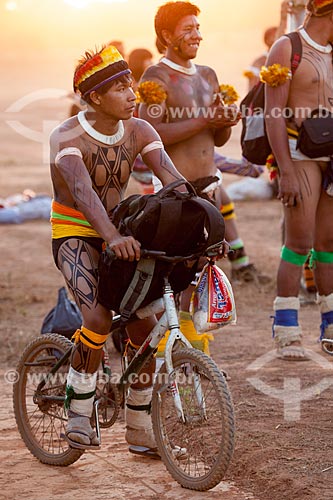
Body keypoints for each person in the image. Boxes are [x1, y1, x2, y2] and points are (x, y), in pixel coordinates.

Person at [49, 43, 197, 456]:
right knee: (97, 317)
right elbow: (83, 193)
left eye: (131, 84)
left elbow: (170, 176)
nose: (133, 94)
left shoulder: (140, 130)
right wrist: (111, 237)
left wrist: (202, 222)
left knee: (144, 331)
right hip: (76, 231)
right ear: (95, 97)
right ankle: (78, 411)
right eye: (119, 88)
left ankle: (138, 428)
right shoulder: (67, 135)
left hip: (121, 233)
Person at [138, 1, 267, 357]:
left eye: (197, 27)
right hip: (173, 192)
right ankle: (171, 353)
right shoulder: (155, 77)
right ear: (167, 35)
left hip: (209, 189)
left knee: (199, 274)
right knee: (175, 276)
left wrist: (224, 123)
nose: (196, 35)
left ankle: (194, 354)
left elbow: (216, 139)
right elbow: (151, 134)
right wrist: (203, 120)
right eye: (187, 29)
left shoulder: (208, 75)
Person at [265, 0, 333, 360]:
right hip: (299, 153)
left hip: (331, 158)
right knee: (300, 241)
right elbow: (273, 113)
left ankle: (331, 325)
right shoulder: (288, 47)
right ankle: (286, 330)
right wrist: (286, 169)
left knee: (328, 243)